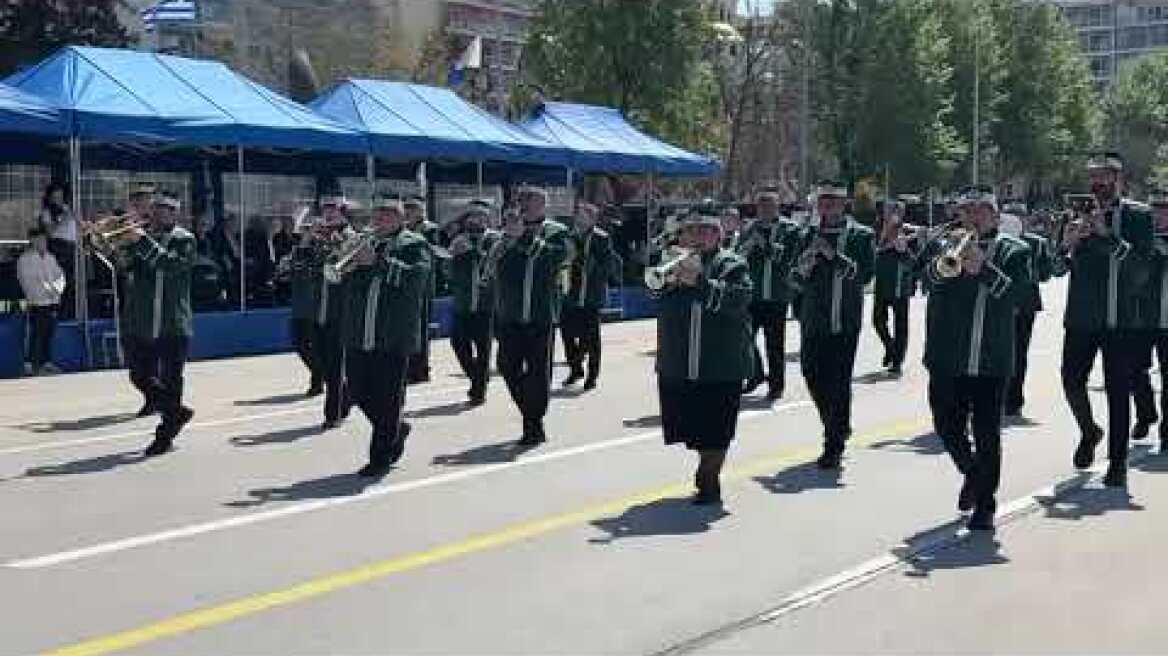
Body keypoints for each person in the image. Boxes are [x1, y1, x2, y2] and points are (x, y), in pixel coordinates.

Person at [922, 187, 1029, 531]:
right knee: (945, 426)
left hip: (990, 359)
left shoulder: (1015, 250)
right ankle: (973, 473)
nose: (974, 216)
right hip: (946, 357)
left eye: (981, 210)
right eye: (967, 210)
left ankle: (986, 503)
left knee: (986, 433)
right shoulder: (943, 245)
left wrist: (982, 268)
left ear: (996, 216)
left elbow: (1019, 296)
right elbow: (925, 280)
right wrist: (950, 261)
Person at [1055, 152, 1153, 488]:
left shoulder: (1139, 216)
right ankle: (1089, 431)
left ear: (1118, 179)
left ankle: (1118, 462)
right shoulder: (1073, 215)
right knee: (1070, 381)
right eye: (1092, 177)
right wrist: (1067, 242)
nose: (1097, 183)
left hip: (1121, 318)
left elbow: (1142, 271)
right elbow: (1055, 268)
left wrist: (1106, 235)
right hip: (1081, 316)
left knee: (1118, 392)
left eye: (1104, 176)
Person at [655, 208, 753, 505]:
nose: (698, 237)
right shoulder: (671, 260)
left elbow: (738, 299)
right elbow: (654, 293)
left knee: (717, 429)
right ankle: (706, 462)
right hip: (679, 359)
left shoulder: (732, 263)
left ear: (718, 235)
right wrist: (669, 277)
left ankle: (709, 478)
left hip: (720, 362)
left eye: (705, 231)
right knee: (690, 427)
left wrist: (699, 280)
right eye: (691, 231)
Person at [340, 196, 432, 477]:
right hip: (359, 332)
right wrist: (348, 265)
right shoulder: (363, 243)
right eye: (377, 215)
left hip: (392, 335)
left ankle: (380, 458)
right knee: (356, 390)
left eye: (386, 216)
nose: (379, 220)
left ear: (400, 219)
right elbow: (344, 280)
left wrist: (378, 261)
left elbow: (417, 278)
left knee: (388, 398)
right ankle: (396, 428)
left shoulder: (413, 244)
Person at [789, 182, 875, 469]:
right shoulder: (805, 234)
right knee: (812, 375)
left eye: (832, 201)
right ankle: (837, 424)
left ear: (844, 204)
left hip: (845, 320)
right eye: (822, 201)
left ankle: (833, 443)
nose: (826, 206)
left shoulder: (861, 236)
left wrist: (832, 255)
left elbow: (864, 277)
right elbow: (794, 280)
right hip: (813, 318)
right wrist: (805, 264)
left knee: (838, 382)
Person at [489, 186, 570, 446]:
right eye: (522, 201)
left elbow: (551, 259)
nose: (524, 206)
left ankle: (533, 424)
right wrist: (504, 241)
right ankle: (531, 412)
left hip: (540, 314)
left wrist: (522, 237)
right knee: (506, 366)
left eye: (530, 202)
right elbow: (491, 266)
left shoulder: (556, 232)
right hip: (509, 313)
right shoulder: (507, 233)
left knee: (538, 373)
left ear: (543, 206)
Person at [118, 192, 197, 456]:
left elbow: (168, 265)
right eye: (157, 208)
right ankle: (176, 411)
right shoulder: (143, 238)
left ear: (175, 213)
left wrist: (141, 241)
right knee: (138, 374)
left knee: (171, 380)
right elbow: (125, 266)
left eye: (167, 209)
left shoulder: (184, 239)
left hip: (173, 322)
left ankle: (164, 437)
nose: (160, 213)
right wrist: (107, 244)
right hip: (142, 321)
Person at [740, 186, 801, 400]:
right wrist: (748, 245)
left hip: (777, 294)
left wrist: (764, 244)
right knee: (744, 337)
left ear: (777, 207)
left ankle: (776, 385)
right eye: (761, 205)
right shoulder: (749, 228)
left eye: (769, 205)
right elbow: (738, 258)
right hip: (752, 294)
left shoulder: (790, 230)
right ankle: (755, 374)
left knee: (774, 343)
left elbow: (784, 260)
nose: (765, 210)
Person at [447, 199, 501, 406]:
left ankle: (478, 391)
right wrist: (453, 257)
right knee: (458, 343)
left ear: (486, 218)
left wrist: (472, 251)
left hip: (486, 304)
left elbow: (492, 264)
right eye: (471, 215)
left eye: (480, 215)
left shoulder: (495, 239)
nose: (475, 219)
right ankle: (477, 377)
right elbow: (448, 272)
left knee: (483, 348)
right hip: (462, 301)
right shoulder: (459, 239)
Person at [560, 201, 617, 390]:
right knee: (567, 335)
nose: (580, 218)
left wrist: (590, 265)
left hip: (590, 295)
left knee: (591, 339)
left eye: (585, 215)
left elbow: (608, 266)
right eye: (578, 214)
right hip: (569, 293)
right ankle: (575, 368)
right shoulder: (567, 235)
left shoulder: (602, 238)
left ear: (593, 219)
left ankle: (591, 376)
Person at [306, 194, 352, 428]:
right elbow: (305, 265)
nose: (328, 212)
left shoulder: (350, 237)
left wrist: (333, 242)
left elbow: (348, 267)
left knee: (335, 363)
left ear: (342, 210)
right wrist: (306, 240)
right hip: (318, 308)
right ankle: (346, 395)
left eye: (333, 208)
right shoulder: (317, 236)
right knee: (322, 362)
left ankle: (332, 414)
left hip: (339, 309)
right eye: (325, 208)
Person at [1005, 210, 1054, 417]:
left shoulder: (1036, 243)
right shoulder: (996, 241)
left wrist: (1030, 273)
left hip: (1025, 302)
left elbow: (1046, 273)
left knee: (1019, 352)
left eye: (1020, 216)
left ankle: (1014, 399)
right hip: (999, 300)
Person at [1131, 191, 1168, 446]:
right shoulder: (1139, 237)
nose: (1159, 215)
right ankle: (1145, 413)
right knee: (1133, 370)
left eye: (1164, 209)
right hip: (1140, 318)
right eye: (1154, 209)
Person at [872, 201, 918, 376]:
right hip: (882, 284)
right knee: (877, 321)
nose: (892, 214)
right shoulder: (877, 229)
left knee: (901, 325)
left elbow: (916, 262)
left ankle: (897, 361)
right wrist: (887, 236)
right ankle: (890, 347)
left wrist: (904, 250)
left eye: (896, 211)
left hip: (900, 285)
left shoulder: (908, 233)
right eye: (889, 210)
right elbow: (876, 249)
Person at [17, 226, 65, 375]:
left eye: (43, 239)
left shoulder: (51, 257)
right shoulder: (25, 259)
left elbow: (60, 275)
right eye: (38, 239)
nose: (42, 242)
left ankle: (46, 362)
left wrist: (57, 290)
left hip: (52, 301)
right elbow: (28, 281)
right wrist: (46, 291)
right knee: (35, 333)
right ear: (32, 240)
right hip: (36, 302)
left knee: (48, 332)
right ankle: (30, 364)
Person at [404, 195, 439, 384]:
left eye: (413, 208)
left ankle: (421, 369)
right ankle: (411, 366)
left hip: (423, 286)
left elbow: (431, 251)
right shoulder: (405, 229)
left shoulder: (429, 229)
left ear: (421, 210)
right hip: (406, 286)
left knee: (421, 328)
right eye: (407, 208)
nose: (408, 211)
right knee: (409, 328)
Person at [39, 182, 77, 319]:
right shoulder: (47, 213)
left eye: (60, 197)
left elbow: (74, 227)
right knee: (60, 282)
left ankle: (70, 311)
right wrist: (63, 220)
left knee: (71, 283)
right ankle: (57, 312)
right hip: (59, 249)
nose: (58, 200)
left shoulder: (68, 209)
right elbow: (50, 232)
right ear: (50, 198)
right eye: (55, 197)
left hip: (73, 248)